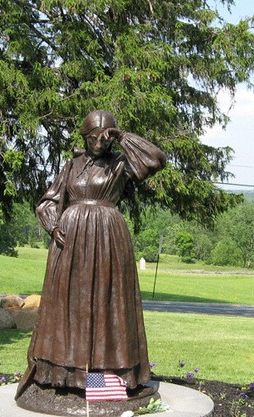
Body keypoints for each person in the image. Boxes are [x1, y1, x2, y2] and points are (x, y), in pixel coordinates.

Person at [15, 110, 167, 400]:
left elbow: (155, 160)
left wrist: (122, 137)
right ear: (84, 135)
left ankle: (107, 374)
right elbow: (48, 201)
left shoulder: (120, 164)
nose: (99, 142)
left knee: (109, 303)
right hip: (70, 241)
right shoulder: (71, 166)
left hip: (108, 237)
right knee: (69, 306)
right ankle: (64, 373)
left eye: (105, 137)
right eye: (93, 137)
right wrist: (53, 225)